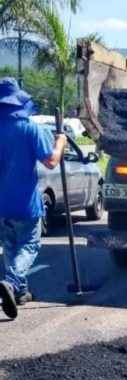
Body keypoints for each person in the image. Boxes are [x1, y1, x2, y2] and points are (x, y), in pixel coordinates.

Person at [0, 78, 67, 320]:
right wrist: (60, 142)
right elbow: (50, 161)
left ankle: (20, 292)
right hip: (26, 203)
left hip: (2, 204)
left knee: (10, 248)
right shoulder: (30, 128)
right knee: (29, 245)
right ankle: (11, 282)